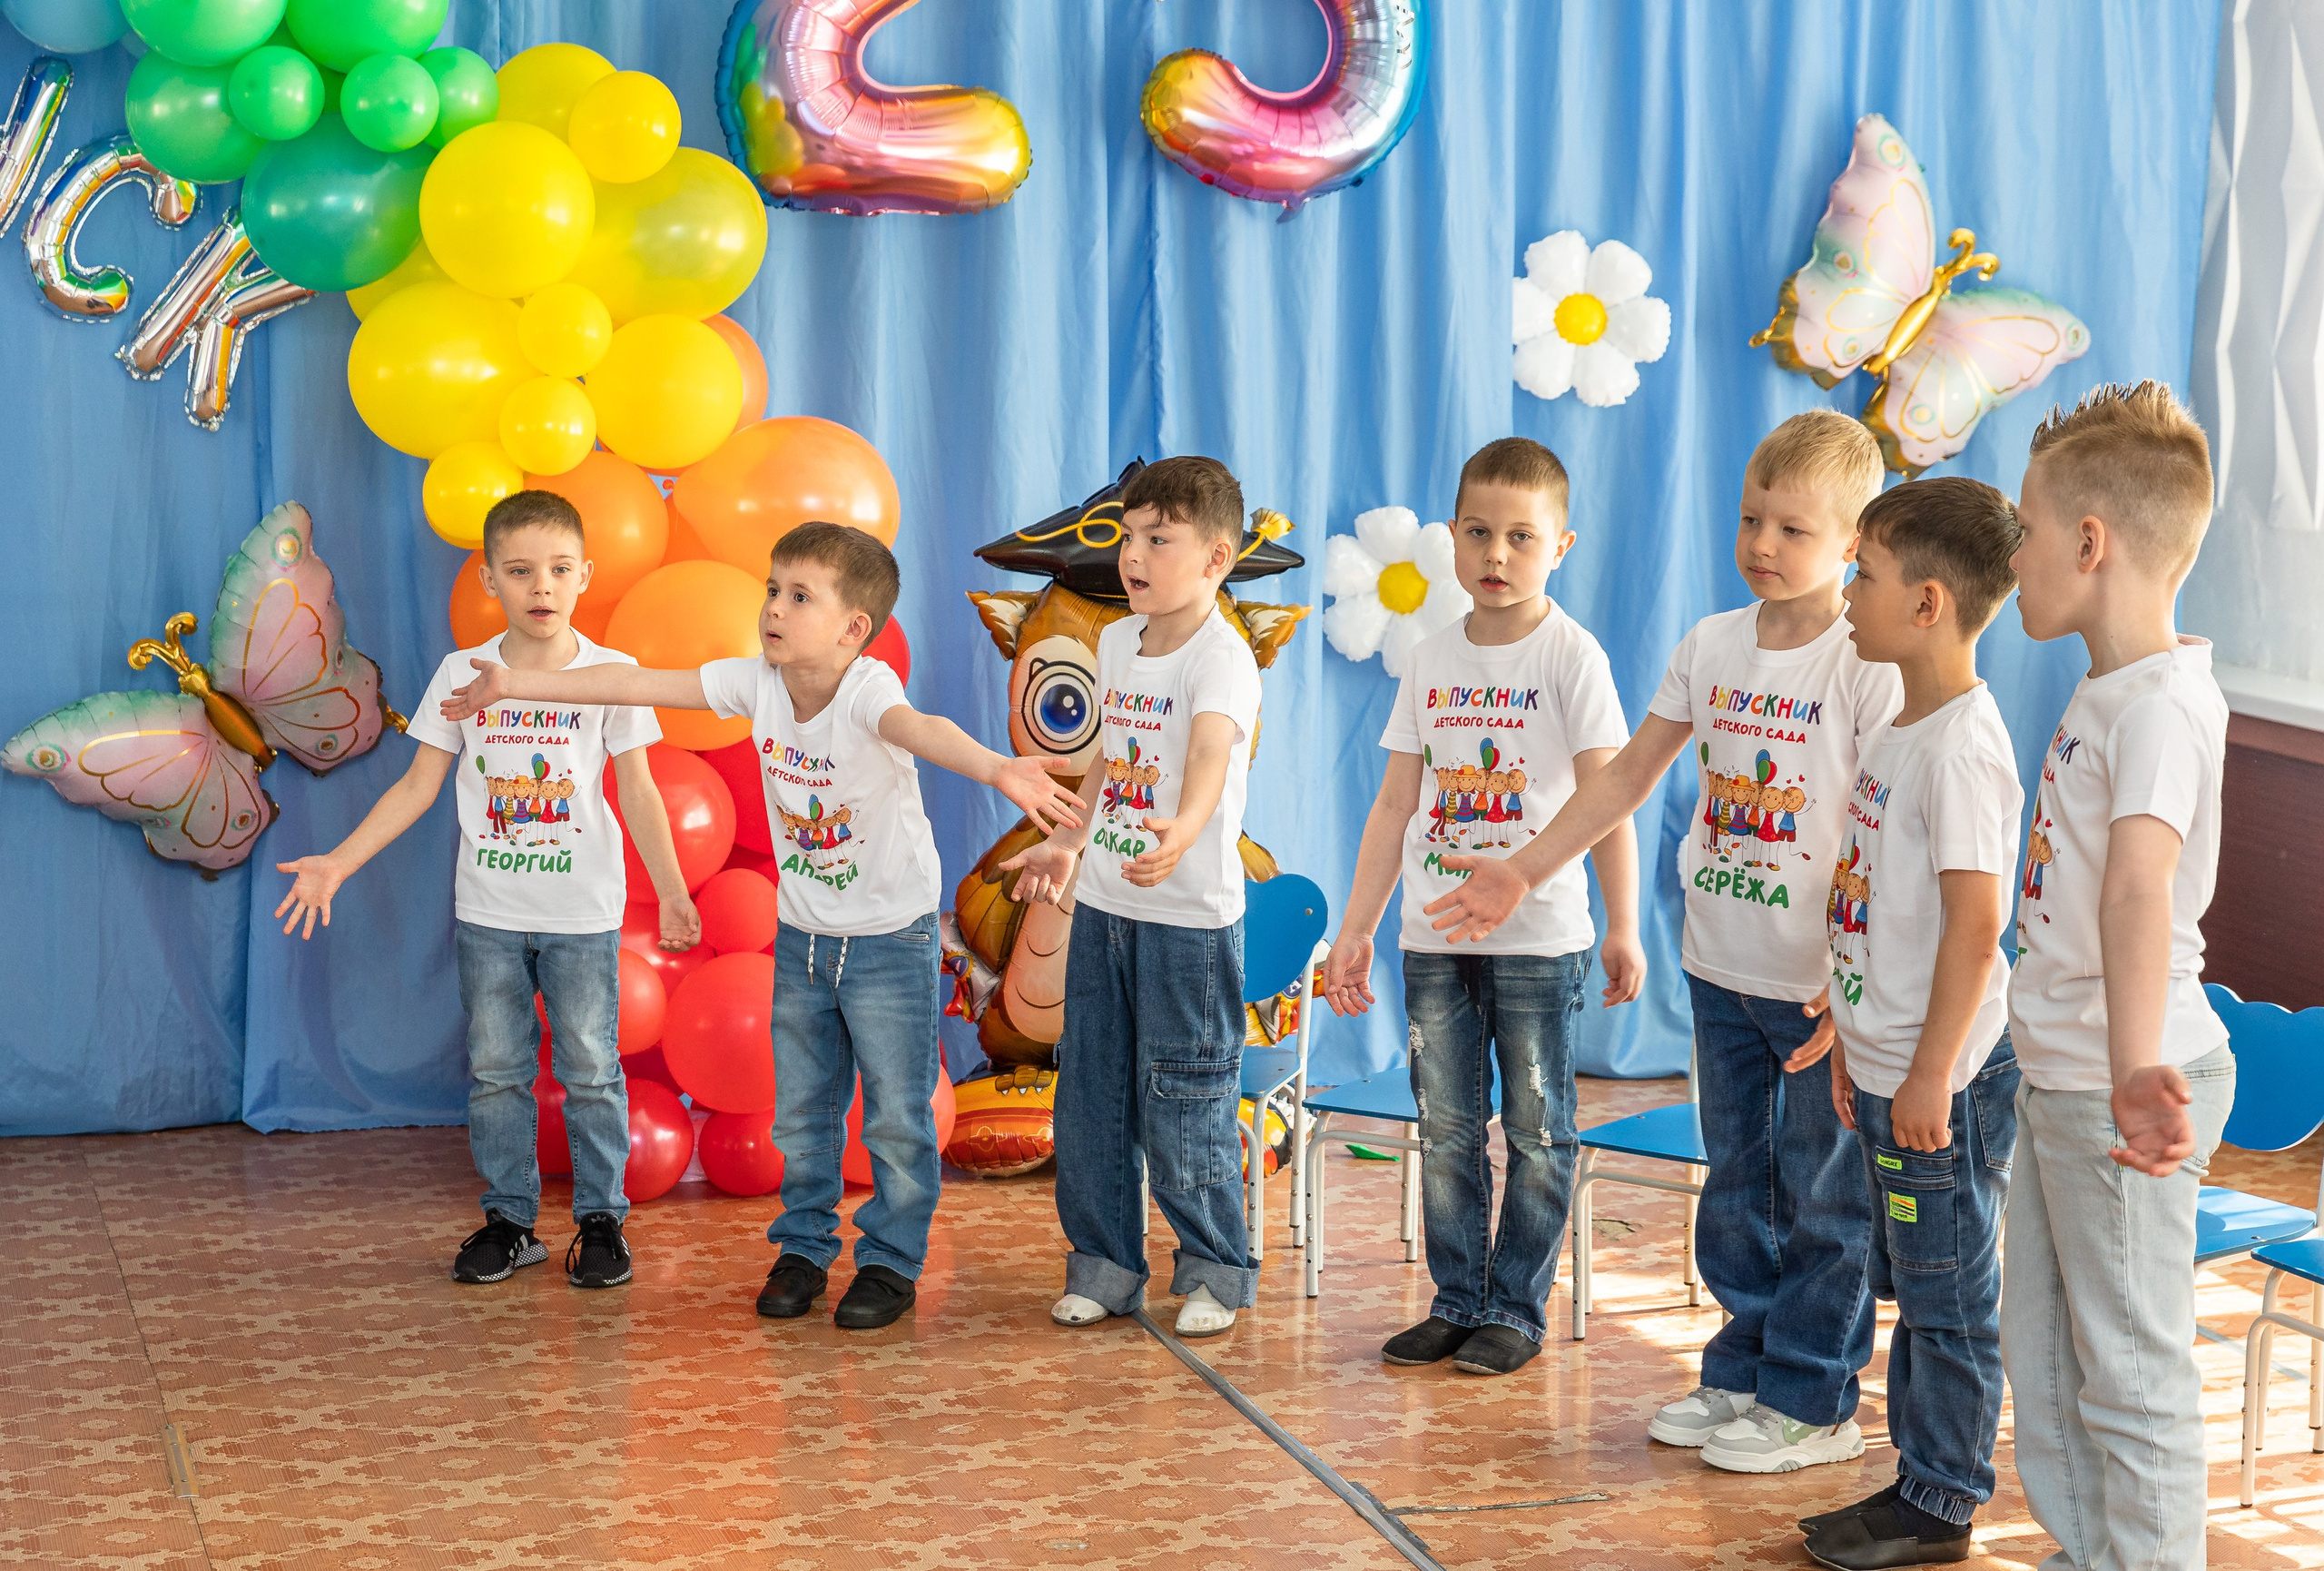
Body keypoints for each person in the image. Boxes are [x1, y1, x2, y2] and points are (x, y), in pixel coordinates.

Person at [438, 521, 1082, 1329]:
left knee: (893, 1113)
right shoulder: (756, 684)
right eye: (772, 590)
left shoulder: (867, 688)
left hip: (889, 942)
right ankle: (805, 1248)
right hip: (808, 942)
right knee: (805, 1115)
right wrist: (516, 687)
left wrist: (995, 767)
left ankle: (888, 1261)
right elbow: (638, 687)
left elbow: (922, 731)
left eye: (799, 596)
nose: (773, 607)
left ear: (853, 630)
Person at [1421, 410, 1900, 1471]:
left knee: (1822, 1194)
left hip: (1819, 987)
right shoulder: (1713, 643)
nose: (1763, 544)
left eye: (1793, 528)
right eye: (1749, 518)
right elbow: (1629, 775)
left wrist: (1859, 976)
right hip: (1721, 968)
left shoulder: (1867, 663)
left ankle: (1814, 1398)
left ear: (1856, 539)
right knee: (1737, 1181)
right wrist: (1521, 867)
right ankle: (1740, 1369)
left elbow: (1888, 824)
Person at [274, 490, 700, 1290]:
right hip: (490, 916)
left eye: (560, 569)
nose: (543, 585)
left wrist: (672, 891)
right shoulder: (459, 675)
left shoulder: (614, 675)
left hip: (581, 914)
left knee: (590, 1070)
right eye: (521, 570)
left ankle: (601, 1221)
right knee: (498, 1072)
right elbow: (417, 786)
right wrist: (338, 860)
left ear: (584, 578)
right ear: (490, 580)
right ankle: (511, 1221)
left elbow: (638, 791)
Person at [1318, 436, 1644, 1376]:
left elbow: (1610, 798)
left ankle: (1516, 1305)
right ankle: (1456, 1297)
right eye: (1477, 532)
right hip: (1433, 939)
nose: (1496, 555)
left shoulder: (1571, 657)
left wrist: (1621, 923)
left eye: (1520, 536)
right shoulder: (1428, 658)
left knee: (1539, 1130)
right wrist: (1358, 925)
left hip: (1539, 945)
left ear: (1560, 546)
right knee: (1449, 1125)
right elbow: (1392, 804)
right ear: (1452, 539)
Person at [2000, 382, 2234, 1571]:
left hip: (2125, 1079)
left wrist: (2136, 1062)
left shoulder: (2162, 708)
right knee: (2045, 1351)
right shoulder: (2109, 692)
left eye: (2025, 530)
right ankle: (2096, 1552)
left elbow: (2138, 890)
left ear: (2090, 544)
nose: (2015, 553)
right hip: (2068, 1074)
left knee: (2131, 1361)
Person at [1799, 477, 2024, 1569]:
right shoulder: (1900, 725)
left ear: (1927, 600)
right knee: (1916, 1275)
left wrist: (1930, 1069)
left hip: (1944, 1074)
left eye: (1865, 573)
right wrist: (1855, 1037)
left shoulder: (1962, 748)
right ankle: (1914, 1478)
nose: (1847, 592)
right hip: (1888, 1058)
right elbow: (1877, 907)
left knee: (1945, 1293)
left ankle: (1941, 1499)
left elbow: (1976, 929)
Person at [1000, 455, 1271, 1339]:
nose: (1134, 554)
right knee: (1093, 1090)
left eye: (1159, 538)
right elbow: (1112, 756)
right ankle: (1106, 1263)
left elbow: (1206, 756)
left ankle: (1215, 1270)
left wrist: (1185, 830)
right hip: (1109, 910)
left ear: (1216, 558)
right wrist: (1070, 839)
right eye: (1128, 535)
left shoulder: (1222, 656)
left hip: (1189, 922)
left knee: (1185, 1092)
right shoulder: (1118, 641)